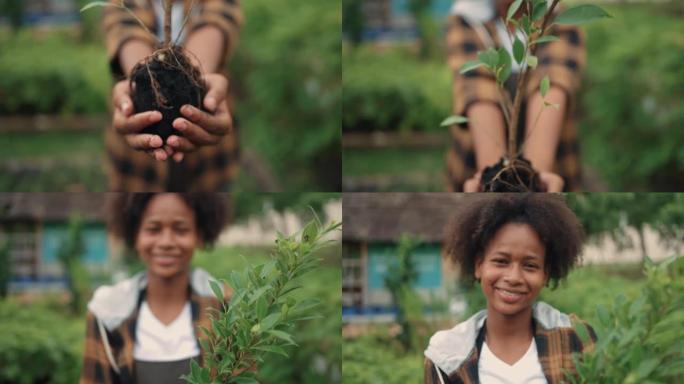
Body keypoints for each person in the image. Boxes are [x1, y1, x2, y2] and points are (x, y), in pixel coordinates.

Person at [424, 194, 597, 383]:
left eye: (530, 265)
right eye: (501, 261)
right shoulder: (447, 356)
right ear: (479, 265)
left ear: (546, 274)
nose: (514, 277)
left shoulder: (576, 340)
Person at [80, 193, 230, 383]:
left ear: (199, 235)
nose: (166, 242)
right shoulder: (108, 312)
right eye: (153, 229)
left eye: (181, 229)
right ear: (135, 235)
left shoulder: (227, 306)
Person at [444, 0, 586, 192]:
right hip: (472, 163)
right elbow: (478, 94)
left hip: (555, 165)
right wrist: (494, 183)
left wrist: (533, 180)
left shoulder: (558, 19)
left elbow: (552, 84)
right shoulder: (467, 16)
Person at [103, 0, 243, 191]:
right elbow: (125, 27)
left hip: (210, 163)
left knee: (207, 215)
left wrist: (195, 78)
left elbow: (216, 20)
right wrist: (140, 81)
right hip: (135, 168)